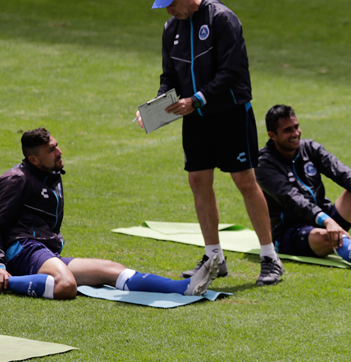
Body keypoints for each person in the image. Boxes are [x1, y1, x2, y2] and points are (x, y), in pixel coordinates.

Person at [140, 0, 282, 286]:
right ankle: (214, 257)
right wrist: (156, 107)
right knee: (198, 180)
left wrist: (199, 99)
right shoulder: (170, 29)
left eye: (172, 2)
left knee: (245, 181)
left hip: (230, 112)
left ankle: (270, 258)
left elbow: (233, 71)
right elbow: (170, 77)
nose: (168, 10)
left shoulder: (222, 19)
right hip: (196, 117)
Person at [0, 129, 220, 300]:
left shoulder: (50, 173)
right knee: (65, 285)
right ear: (33, 160)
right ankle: (7, 282)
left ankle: (183, 288)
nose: (59, 152)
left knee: (110, 268)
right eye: (50, 150)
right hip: (22, 249)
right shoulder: (17, 179)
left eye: (56, 145)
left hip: (43, 250)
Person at [255, 105, 351, 276]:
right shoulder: (264, 164)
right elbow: (293, 199)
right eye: (288, 130)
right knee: (331, 238)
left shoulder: (309, 148)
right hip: (290, 231)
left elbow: (342, 172)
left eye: (296, 127)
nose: (296, 133)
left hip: (324, 218)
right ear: (272, 136)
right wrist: (327, 221)